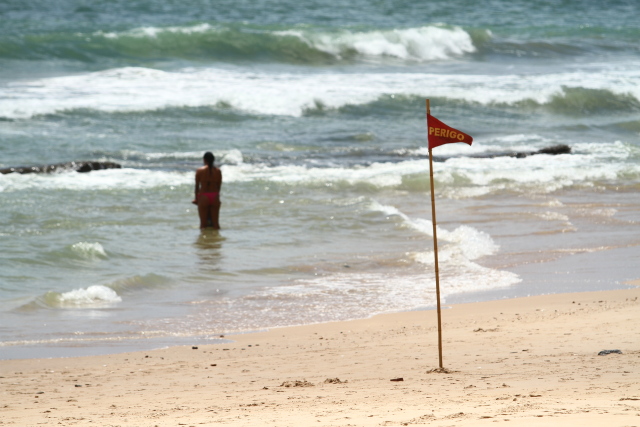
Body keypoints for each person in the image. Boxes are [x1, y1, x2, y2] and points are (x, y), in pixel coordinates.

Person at [193, 152, 222, 229]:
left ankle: (203, 240)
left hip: (204, 196)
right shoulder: (218, 171)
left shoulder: (199, 170)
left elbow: (197, 186)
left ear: (204, 160)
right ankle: (217, 239)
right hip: (214, 196)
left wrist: (196, 198)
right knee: (216, 224)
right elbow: (219, 186)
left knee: (203, 224)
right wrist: (217, 197)